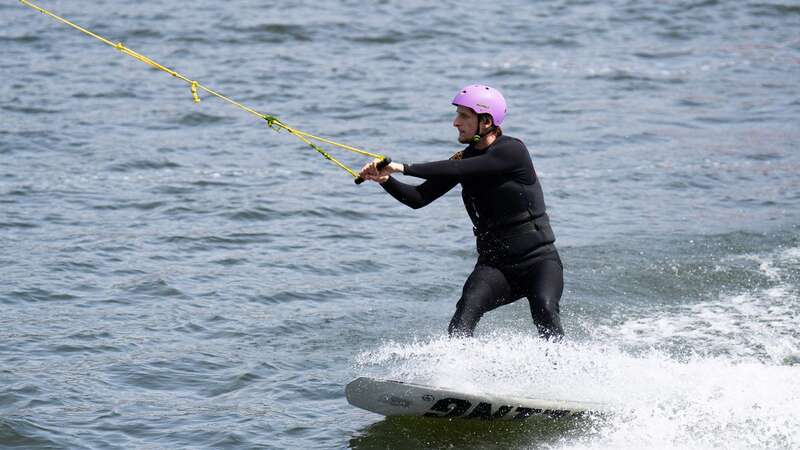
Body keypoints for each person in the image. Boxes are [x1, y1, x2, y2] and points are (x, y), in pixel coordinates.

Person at [359, 84, 563, 339]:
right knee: (463, 316)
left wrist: (402, 167)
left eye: (464, 116)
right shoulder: (462, 160)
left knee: (545, 310)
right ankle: (457, 375)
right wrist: (385, 180)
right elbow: (418, 198)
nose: (456, 123)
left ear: (486, 121)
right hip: (496, 265)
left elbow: (460, 170)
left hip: (538, 261)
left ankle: (559, 370)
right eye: (457, 116)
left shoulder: (512, 151)